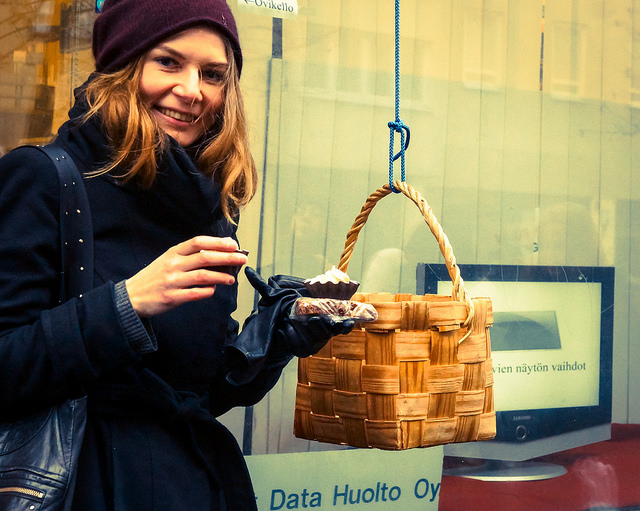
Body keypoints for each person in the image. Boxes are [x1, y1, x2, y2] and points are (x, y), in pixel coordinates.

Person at [0, 1, 354, 509]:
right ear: (123, 67)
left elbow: (198, 393)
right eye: (168, 62)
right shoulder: (44, 179)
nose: (192, 91)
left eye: (213, 74)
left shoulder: (208, 205)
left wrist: (275, 337)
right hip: (84, 487)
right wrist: (126, 305)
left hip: (190, 485)